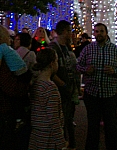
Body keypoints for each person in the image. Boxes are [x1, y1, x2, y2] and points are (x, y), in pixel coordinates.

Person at [76, 22, 117, 150]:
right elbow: (78, 65)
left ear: (106, 33)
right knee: (93, 126)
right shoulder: (88, 49)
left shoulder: (115, 50)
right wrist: (85, 70)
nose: (99, 34)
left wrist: (114, 71)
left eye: (101, 31)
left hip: (109, 94)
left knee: (111, 125)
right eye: (96, 31)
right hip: (92, 93)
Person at [49, 20, 79, 149]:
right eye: (69, 31)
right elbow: (49, 69)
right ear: (63, 32)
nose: (71, 34)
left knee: (68, 119)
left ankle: (69, 143)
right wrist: (62, 84)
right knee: (61, 119)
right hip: (60, 89)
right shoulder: (53, 48)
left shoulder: (66, 48)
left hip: (68, 89)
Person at [29, 49, 66, 150]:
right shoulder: (50, 88)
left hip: (37, 131)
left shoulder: (36, 82)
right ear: (51, 63)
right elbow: (53, 118)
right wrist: (60, 142)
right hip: (48, 135)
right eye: (56, 61)